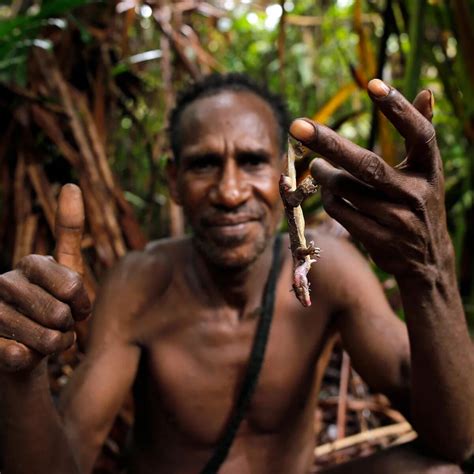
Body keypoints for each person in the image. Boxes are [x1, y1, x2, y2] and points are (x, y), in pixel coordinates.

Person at [0, 73, 473, 474]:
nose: (229, 192)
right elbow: (66, 458)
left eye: (252, 161)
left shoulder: (330, 271)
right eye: (205, 163)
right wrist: (21, 374)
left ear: (286, 175)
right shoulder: (141, 285)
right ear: (173, 182)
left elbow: (460, 438)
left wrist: (429, 270)